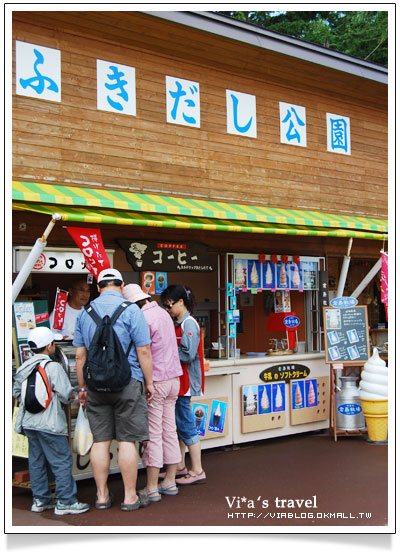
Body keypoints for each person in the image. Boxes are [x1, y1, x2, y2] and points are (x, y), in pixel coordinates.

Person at [73, 268, 154, 512]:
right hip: (128, 381)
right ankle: (130, 497)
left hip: (96, 384)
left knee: (101, 441)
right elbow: (144, 351)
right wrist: (149, 383)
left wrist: (82, 387)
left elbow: (79, 356)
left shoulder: (84, 313)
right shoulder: (132, 311)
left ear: (98, 288)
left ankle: (101, 495)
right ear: (121, 286)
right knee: (128, 440)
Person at [12, 327, 90, 515]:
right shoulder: (53, 367)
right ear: (49, 346)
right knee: (61, 461)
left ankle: (40, 500)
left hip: (29, 422)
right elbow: (65, 394)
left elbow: (16, 393)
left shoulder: (24, 367)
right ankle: (66, 501)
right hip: (50, 423)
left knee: (36, 461)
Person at [123, 284, 183, 502]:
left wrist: (147, 382)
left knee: (154, 434)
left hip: (156, 380)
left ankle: (151, 487)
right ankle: (170, 480)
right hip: (174, 380)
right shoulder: (163, 313)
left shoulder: (142, 319)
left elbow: (144, 351)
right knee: (170, 430)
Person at [160, 285, 206, 485]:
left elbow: (188, 355)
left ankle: (197, 470)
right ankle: (179, 465)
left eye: (169, 305)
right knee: (179, 425)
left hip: (184, 382)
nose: (168, 310)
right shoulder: (179, 322)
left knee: (186, 425)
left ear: (181, 302)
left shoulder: (189, 324)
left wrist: (164, 354)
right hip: (179, 381)